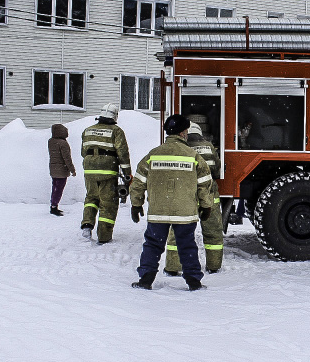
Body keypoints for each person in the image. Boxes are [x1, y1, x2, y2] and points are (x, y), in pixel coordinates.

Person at [130, 115, 214, 291]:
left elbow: (138, 182)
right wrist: (206, 206)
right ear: (184, 133)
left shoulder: (152, 155)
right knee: (187, 245)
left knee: (153, 245)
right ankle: (193, 282)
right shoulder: (194, 156)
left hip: (158, 212)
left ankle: (146, 279)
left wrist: (136, 204)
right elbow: (205, 184)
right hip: (184, 213)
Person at [164, 121, 224, 275]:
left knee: (177, 232)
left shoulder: (181, 148)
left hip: (185, 195)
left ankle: (172, 267)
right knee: (213, 232)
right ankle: (214, 266)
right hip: (209, 195)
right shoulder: (209, 146)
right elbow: (217, 170)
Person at [80, 103, 131, 244]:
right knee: (108, 203)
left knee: (91, 198)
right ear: (115, 116)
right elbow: (123, 154)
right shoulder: (116, 131)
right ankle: (104, 236)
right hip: (107, 171)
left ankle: (87, 226)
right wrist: (127, 174)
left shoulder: (88, 130)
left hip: (89, 171)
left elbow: (83, 152)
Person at [47, 123, 76, 216]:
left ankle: (53, 206)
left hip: (53, 168)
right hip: (61, 169)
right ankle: (54, 207)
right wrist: (72, 170)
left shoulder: (51, 141)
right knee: (59, 189)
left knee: (55, 188)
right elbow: (67, 158)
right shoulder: (63, 143)